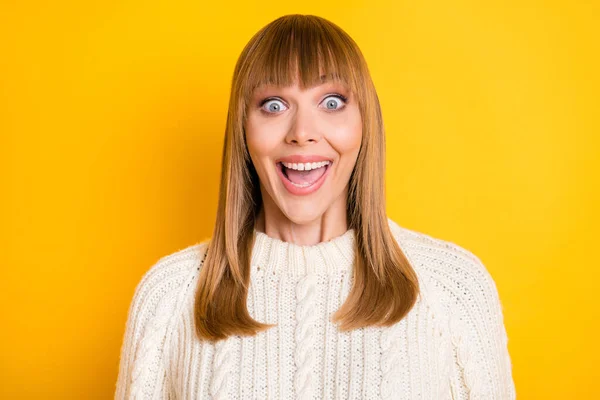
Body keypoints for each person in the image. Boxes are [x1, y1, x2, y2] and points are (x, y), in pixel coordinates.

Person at [115, 14, 516, 399]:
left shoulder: (454, 288)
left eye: (332, 102)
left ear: (365, 123)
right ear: (243, 130)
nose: (302, 134)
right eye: (274, 105)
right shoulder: (169, 296)